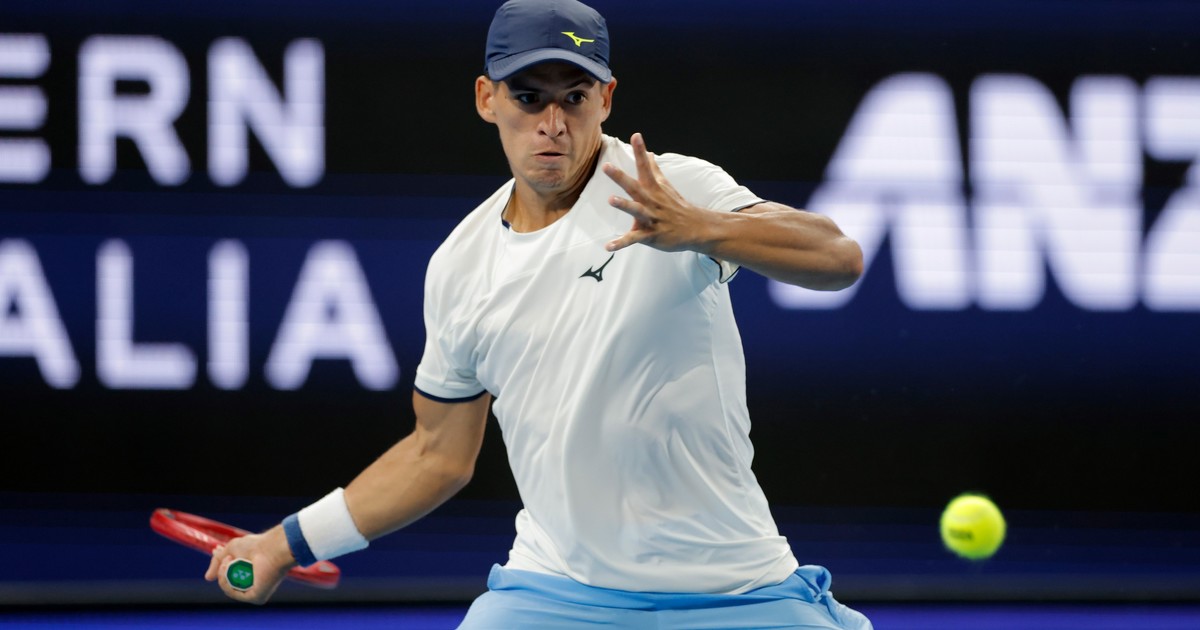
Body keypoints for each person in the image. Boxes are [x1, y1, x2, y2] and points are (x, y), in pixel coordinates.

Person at [206, 0, 871, 627]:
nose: (552, 122)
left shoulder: (671, 189)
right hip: (556, 590)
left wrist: (701, 229)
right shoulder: (461, 266)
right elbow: (436, 456)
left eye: (574, 97)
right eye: (528, 98)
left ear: (605, 100)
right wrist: (283, 545)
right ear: (486, 99)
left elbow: (838, 257)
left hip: (736, 589)